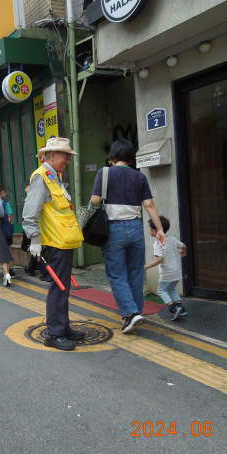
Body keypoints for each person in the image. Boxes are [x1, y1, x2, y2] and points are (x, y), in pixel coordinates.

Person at [91, 139, 166, 334]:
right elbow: (149, 204)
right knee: (135, 273)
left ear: (112, 156)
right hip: (136, 228)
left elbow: (95, 200)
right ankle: (136, 314)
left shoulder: (104, 173)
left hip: (114, 230)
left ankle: (131, 314)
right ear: (132, 159)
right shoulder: (139, 177)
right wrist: (159, 229)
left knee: (117, 274)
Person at [23, 137, 85, 351]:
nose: (67, 160)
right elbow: (30, 212)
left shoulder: (53, 176)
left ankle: (62, 327)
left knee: (63, 287)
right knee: (58, 288)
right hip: (54, 243)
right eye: (65, 156)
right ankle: (54, 333)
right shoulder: (41, 177)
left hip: (62, 242)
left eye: (68, 156)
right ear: (51, 155)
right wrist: (34, 240)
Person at [144, 216, 188, 321]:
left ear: (155, 231)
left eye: (149, 228)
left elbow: (160, 259)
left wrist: (147, 266)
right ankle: (181, 308)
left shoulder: (158, 243)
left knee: (161, 291)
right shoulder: (172, 239)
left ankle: (173, 308)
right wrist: (183, 251)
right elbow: (184, 246)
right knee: (172, 289)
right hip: (176, 272)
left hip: (167, 273)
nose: (149, 230)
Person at [22, 181, 50, 282]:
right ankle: (31, 268)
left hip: (37, 228)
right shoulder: (32, 198)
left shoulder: (35, 198)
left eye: (27, 187)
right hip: (33, 228)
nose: (25, 189)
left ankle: (46, 272)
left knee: (38, 250)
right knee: (35, 249)